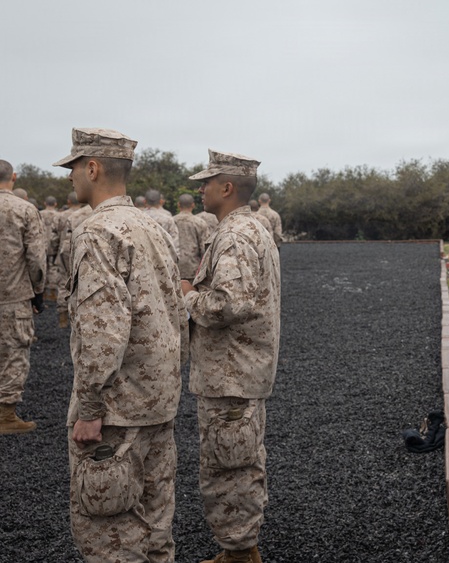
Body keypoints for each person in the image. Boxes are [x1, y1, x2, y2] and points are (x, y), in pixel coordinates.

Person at [54, 128, 185, 562]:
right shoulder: (154, 227)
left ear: (92, 168)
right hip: (157, 401)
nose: (70, 176)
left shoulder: (96, 232)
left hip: (116, 409)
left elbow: (103, 329)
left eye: (74, 167)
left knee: (109, 534)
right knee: (155, 525)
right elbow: (176, 311)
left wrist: (90, 407)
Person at [182, 149, 280, 563]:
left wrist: (188, 297)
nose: (200, 190)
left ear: (226, 188)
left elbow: (228, 304)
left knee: (228, 468)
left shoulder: (236, 235)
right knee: (238, 461)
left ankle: (240, 554)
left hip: (230, 374)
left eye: (206, 182)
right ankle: (240, 549)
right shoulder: (250, 228)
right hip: (238, 370)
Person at [0, 159, 47, 434]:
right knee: (13, 354)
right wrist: (38, 291)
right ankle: (6, 415)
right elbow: (36, 259)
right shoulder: (25, 210)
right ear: (14, 177)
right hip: (13, 295)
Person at [56, 191, 93, 328]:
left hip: (70, 255)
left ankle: (63, 317)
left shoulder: (70, 216)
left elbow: (60, 240)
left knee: (65, 284)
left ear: (69, 201)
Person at [174, 193, 211, 280]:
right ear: (193, 205)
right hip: (194, 269)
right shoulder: (200, 222)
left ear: (178, 204)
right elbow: (205, 249)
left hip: (174, 268)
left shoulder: (171, 221)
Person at [39, 196, 62, 301]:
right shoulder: (59, 215)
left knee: (42, 267)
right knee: (53, 268)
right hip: (53, 245)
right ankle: (52, 294)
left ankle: (41, 292)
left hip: (41, 245)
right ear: (55, 204)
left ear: (45, 203)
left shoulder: (39, 214)